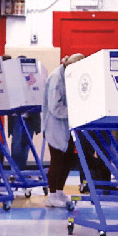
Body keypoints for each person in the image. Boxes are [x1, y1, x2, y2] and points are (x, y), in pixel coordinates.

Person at [42, 53, 84, 208]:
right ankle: (51, 195)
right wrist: (76, 111)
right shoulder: (56, 79)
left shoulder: (68, 76)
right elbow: (55, 107)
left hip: (67, 125)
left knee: (68, 159)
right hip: (56, 125)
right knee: (57, 160)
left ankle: (59, 191)